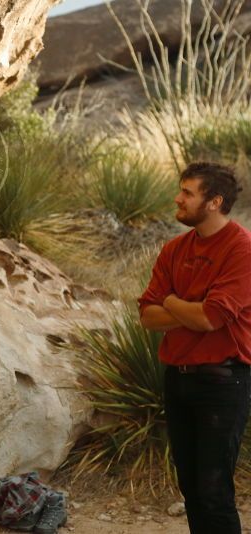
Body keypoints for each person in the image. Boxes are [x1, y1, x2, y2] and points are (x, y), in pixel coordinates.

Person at [138, 162, 251, 534]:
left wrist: (169, 300)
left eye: (188, 192)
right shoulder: (175, 249)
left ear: (214, 201)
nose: (178, 198)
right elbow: (147, 317)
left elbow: (210, 319)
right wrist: (186, 307)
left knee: (214, 491)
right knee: (190, 488)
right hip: (178, 381)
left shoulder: (241, 250)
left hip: (223, 382)